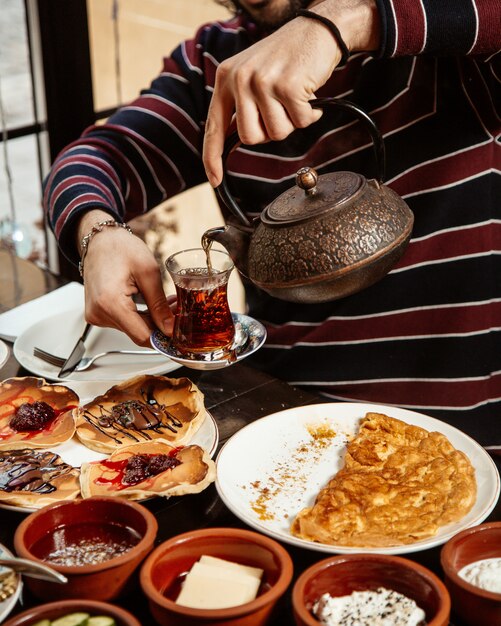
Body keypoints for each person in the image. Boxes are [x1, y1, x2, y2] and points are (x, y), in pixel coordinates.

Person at [43, 0, 500, 445]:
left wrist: (341, 23)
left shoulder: (436, 32)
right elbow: (96, 158)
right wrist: (97, 232)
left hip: (456, 435)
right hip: (279, 424)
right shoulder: (214, 63)